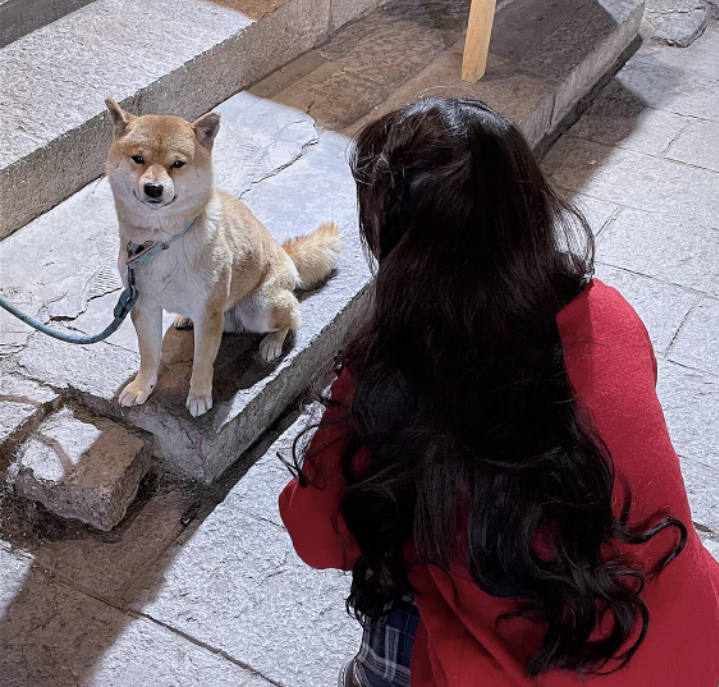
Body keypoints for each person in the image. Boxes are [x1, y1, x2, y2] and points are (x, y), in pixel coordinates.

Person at [278, 98, 719, 687]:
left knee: (393, 610)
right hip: (685, 643)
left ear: (397, 248)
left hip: (519, 670)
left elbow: (314, 536)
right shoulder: (608, 312)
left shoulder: (392, 375)